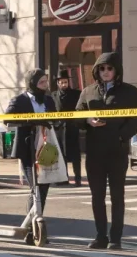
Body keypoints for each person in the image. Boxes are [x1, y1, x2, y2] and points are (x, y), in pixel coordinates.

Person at [75, 52, 137, 250]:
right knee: (97, 195)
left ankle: (115, 238)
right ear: (97, 71)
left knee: (117, 196)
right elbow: (77, 116)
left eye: (109, 68)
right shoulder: (88, 92)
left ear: (116, 70)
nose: (106, 72)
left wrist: (121, 136)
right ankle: (100, 236)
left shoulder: (130, 92)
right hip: (94, 152)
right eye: (102, 69)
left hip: (117, 151)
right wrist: (88, 120)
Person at [5, 69, 59, 245]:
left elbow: (57, 118)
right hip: (28, 150)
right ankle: (32, 229)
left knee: (43, 188)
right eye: (41, 82)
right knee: (35, 187)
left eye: (45, 81)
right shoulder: (20, 100)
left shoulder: (48, 100)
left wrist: (53, 122)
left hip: (46, 150)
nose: (45, 85)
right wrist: (33, 122)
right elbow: (8, 118)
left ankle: (34, 226)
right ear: (32, 83)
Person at [54, 69, 83, 186]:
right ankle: (63, 177)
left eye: (65, 82)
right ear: (58, 83)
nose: (63, 84)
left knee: (75, 155)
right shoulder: (53, 95)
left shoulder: (76, 94)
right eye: (61, 82)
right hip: (59, 129)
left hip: (72, 128)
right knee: (61, 155)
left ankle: (78, 178)